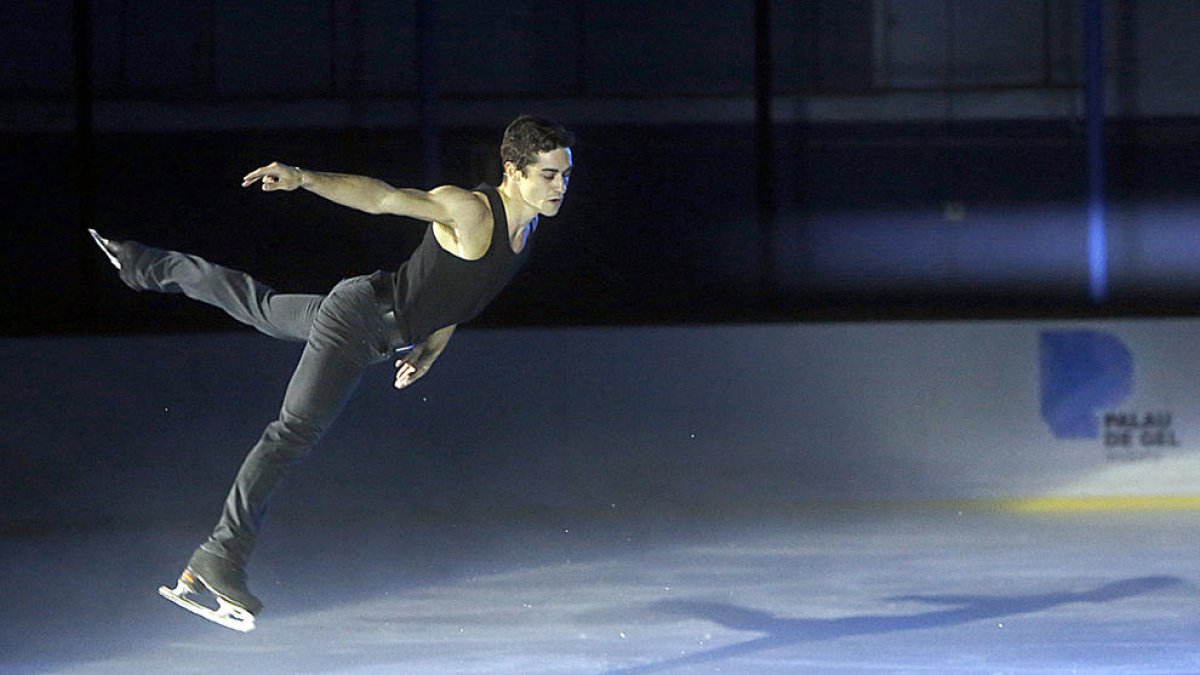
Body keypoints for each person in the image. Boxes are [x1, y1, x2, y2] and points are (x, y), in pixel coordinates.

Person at [89, 115, 574, 630]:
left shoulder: (526, 231)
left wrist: (431, 347)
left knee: (259, 306)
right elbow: (383, 198)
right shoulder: (471, 210)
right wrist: (302, 177)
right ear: (512, 170)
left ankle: (142, 265)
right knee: (291, 434)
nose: (560, 187)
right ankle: (219, 556)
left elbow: (463, 290)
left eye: (565, 175)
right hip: (358, 321)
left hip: (367, 322)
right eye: (548, 175)